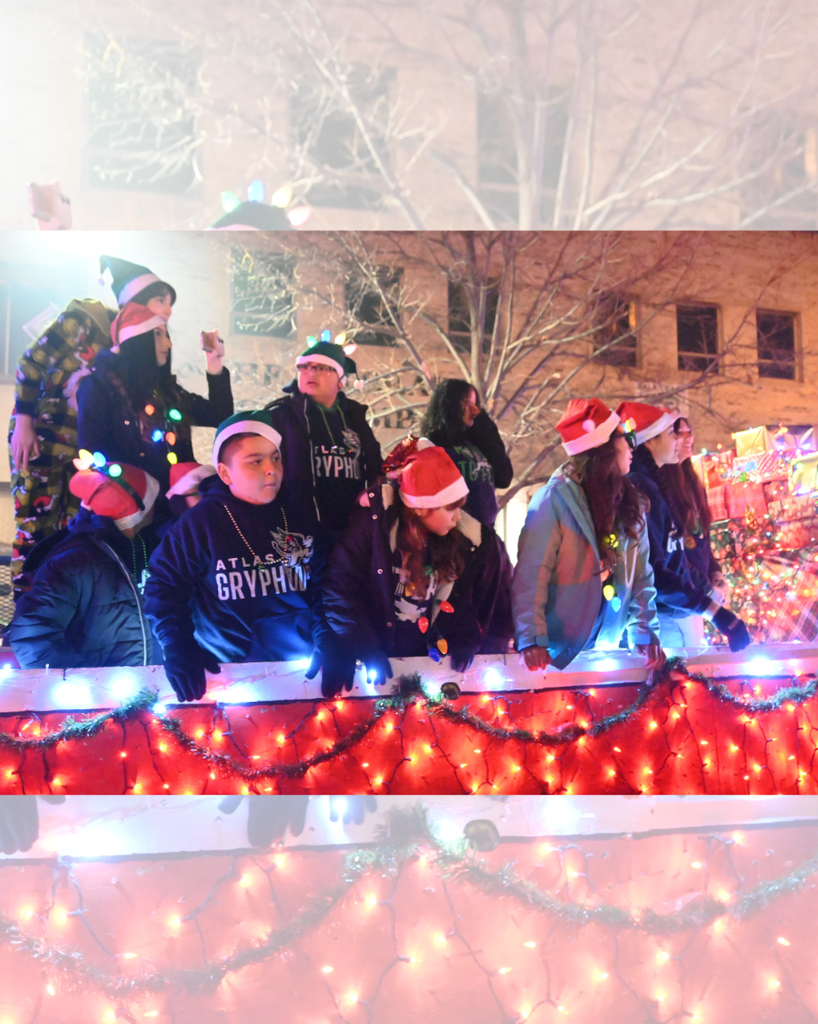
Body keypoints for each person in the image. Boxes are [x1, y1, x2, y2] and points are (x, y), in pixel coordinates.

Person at [144, 411, 338, 703]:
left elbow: (325, 584)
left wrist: (329, 637)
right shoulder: (199, 524)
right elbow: (164, 587)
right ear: (225, 473)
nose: (271, 469)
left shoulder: (300, 518)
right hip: (226, 683)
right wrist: (178, 644)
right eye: (255, 461)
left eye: (275, 458)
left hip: (304, 679)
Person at [322, 441, 514, 690]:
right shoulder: (374, 530)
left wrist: (464, 639)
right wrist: (365, 647)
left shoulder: (453, 542)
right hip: (377, 667)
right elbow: (340, 590)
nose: (458, 518)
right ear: (422, 507)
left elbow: (457, 600)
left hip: (428, 669)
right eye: (450, 508)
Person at [512, 398, 664, 672]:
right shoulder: (553, 500)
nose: (633, 445)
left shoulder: (632, 503)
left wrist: (644, 631)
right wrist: (532, 639)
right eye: (625, 436)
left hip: (607, 649)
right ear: (603, 446)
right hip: (557, 655)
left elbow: (641, 575)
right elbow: (532, 575)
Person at [8, 461, 166, 669]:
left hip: (154, 691)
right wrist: (85, 687)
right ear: (136, 508)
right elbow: (32, 635)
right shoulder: (74, 561)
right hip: (101, 697)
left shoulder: (146, 548)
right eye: (153, 497)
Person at [619, 401, 750, 651]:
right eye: (672, 434)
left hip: (675, 610)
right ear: (650, 441)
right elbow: (655, 570)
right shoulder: (641, 490)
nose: (679, 441)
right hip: (661, 618)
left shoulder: (653, 486)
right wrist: (714, 611)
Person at [7, 298, 116, 597]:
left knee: (71, 531)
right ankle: (24, 616)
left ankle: (55, 609)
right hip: (40, 440)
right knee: (34, 526)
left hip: (78, 451)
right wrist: (25, 420)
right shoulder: (81, 322)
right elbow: (30, 363)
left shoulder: (118, 345)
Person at [77, 302, 233, 495]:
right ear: (137, 340)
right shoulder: (99, 387)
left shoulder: (166, 389)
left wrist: (215, 366)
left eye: (166, 334)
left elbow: (220, 416)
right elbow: (93, 454)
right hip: (134, 513)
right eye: (158, 334)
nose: (168, 343)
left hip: (177, 506)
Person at [266, 332, 382, 535]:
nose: (310, 373)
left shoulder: (355, 417)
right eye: (304, 367)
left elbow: (375, 469)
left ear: (340, 380)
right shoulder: (280, 417)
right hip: (297, 533)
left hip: (351, 532)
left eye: (321, 368)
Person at [420, 379, 513, 527]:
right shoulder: (433, 444)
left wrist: (486, 427)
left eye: (475, 402)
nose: (473, 408)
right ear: (450, 404)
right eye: (466, 402)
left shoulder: (477, 442)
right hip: (455, 533)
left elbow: (504, 478)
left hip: (485, 534)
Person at [658, 416, 729, 606]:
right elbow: (675, 553)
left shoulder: (694, 484)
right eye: (679, 433)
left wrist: (715, 571)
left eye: (689, 432)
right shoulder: (663, 488)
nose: (688, 438)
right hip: (682, 596)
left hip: (701, 592)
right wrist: (705, 587)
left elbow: (703, 540)